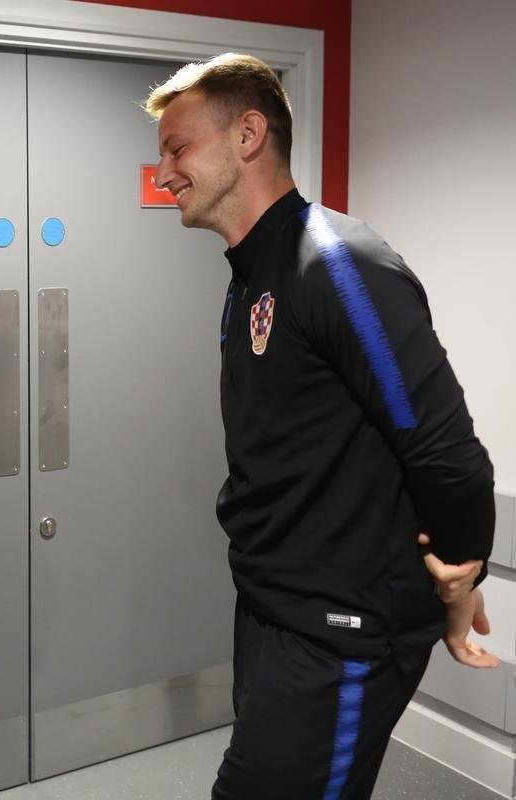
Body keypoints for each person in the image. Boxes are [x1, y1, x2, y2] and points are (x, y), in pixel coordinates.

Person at [144, 54, 497, 799]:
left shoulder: (337, 264)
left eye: (177, 148)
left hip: (344, 632)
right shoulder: (252, 273)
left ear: (247, 135)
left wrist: (460, 574)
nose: (163, 171)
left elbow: (446, 452)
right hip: (274, 608)